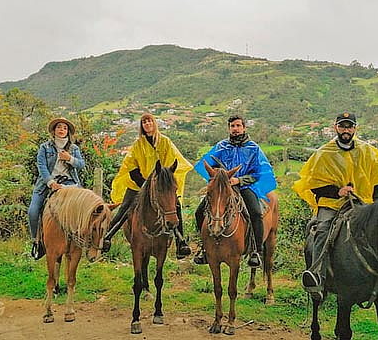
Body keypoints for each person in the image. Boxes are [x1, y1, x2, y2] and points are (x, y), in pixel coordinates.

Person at [293, 112, 378, 300]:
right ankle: (317, 276)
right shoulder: (324, 153)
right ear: (335, 127)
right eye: (342, 126)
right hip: (332, 204)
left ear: (355, 128)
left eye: (349, 126)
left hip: (363, 204)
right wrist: (338, 192)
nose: (346, 130)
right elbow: (315, 186)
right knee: (323, 230)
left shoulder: (368, 151)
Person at [102, 113, 193, 258]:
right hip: (139, 184)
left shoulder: (165, 142)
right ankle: (107, 236)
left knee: (175, 206)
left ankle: (180, 242)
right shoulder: (138, 144)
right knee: (125, 206)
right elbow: (131, 166)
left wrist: (161, 181)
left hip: (161, 183)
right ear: (142, 126)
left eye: (149, 121)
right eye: (144, 122)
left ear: (154, 123)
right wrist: (145, 184)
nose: (147, 124)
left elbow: (171, 163)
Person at [193, 115, 277, 268]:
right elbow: (209, 167)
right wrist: (220, 178)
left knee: (255, 212)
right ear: (229, 128)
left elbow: (258, 173)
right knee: (199, 212)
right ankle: (204, 248)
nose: (235, 129)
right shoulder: (221, 146)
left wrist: (239, 180)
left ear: (244, 128)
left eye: (238, 126)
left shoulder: (253, 148)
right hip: (224, 188)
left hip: (244, 187)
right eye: (232, 126)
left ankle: (255, 251)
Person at [28, 118, 85, 258]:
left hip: (69, 183)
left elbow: (81, 164)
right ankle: (37, 241)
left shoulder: (73, 149)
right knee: (33, 211)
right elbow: (41, 166)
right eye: (59, 127)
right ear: (54, 130)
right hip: (47, 184)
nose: (61, 130)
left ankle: (82, 239)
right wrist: (51, 182)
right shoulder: (45, 147)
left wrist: (70, 158)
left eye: (64, 128)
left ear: (68, 132)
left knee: (83, 209)